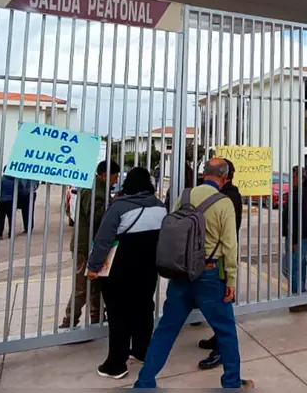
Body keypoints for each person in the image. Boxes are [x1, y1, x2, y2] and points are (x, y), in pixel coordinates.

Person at [134, 158, 253, 389]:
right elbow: (229, 245)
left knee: (166, 330)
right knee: (226, 331)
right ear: (225, 176)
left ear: (204, 174)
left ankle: (145, 381)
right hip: (209, 275)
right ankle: (231, 382)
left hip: (181, 274)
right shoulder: (223, 202)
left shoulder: (185, 196)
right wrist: (231, 279)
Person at [85, 167, 167, 379]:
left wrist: (93, 267)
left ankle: (116, 364)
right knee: (144, 308)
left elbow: (103, 241)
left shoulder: (118, 208)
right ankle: (142, 350)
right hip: (149, 270)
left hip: (120, 271)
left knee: (119, 315)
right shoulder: (160, 207)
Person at [61, 160, 120, 328]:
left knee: (96, 283)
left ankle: (98, 317)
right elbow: (97, 217)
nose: (115, 180)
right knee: (82, 286)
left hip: (92, 245)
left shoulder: (98, 188)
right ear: (104, 175)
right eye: (114, 176)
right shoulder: (95, 191)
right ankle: (69, 322)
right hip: (85, 245)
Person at [198, 158, 243, 370]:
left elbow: (228, 233)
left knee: (223, 305)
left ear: (224, 176)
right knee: (219, 304)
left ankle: (221, 350)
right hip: (217, 257)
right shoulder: (225, 195)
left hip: (222, 258)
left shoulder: (229, 197)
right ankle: (217, 340)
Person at [281, 165, 307, 303]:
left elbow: (301, 219)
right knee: (298, 266)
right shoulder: (297, 192)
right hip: (295, 236)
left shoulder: (302, 194)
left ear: (302, 178)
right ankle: (301, 295)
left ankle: (299, 295)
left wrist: (294, 240)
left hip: (297, 237)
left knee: (289, 267)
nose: (292, 179)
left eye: (294, 176)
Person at [0, 169, 35, 239]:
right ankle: (11, 234)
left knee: (0, 218)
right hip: (11, 201)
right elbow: (21, 190)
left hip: (2, 201)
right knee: (11, 219)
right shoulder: (15, 180)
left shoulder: (1, 179)